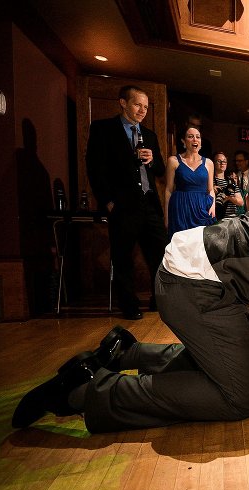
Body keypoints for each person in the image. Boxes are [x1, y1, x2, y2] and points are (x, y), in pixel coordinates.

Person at [11, 206, 249, 432]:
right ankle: (86, 391)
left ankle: (126, 353)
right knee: (238, 398)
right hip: (192, 285)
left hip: (206, 276)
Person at [85, 85, 167, 320]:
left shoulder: (149, 135)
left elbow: (160, 169)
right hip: (122, 205)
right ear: (123, 103)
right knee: (123, 258)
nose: (142, 110)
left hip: (149, 204)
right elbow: (95, 168)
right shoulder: (103, 129)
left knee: (160, 255)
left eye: (145, 107)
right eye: (137, 105)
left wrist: (152, 161)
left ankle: (159, 300)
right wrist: (108, 201)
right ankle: (129, 305)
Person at [165, 127, 216, 238]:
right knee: (180, 245)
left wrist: (213, 206)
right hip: (180, 208)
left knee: (201, 246)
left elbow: (211, 189)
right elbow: (168, 190)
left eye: (198, 137)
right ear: (183, 141)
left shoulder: (209, 163)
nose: (195, 139)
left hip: (202, 208)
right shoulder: (173, 161)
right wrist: (167, 216)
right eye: (190, 136)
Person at [213, 152, 245, 219]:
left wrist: (228, 198)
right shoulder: (210, 181)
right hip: (216, 218)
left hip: (232, 218)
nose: (222, 163)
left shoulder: (231, 182)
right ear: (213, 163)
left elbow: (241, 202)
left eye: (224, 161)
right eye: (219, 161)